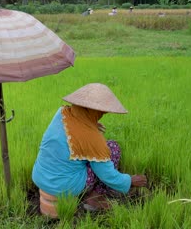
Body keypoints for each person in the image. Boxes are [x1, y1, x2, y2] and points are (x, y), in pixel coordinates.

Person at [32, 83, 148, 212]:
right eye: (101, 113)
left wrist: (90, 124)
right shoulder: (93, 138)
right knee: (112, 148)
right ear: (94, 111)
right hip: (66, 186)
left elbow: (73, 129)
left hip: (40, 175)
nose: (102, 115)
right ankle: (96, 197)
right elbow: (107, 174)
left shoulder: (61, 113)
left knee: (82, 155)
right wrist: (129, 181)